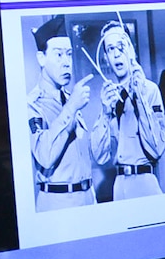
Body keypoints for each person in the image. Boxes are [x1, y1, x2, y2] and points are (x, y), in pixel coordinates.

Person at [24, 14, 107, 211]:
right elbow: (45, 156)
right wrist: (71, 107)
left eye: (69, 54)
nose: (66, 62)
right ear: (41, 58)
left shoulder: (70, 98)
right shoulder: (32, 105)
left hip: (87, 198)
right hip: (58, 202)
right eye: (59, 54)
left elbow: (97, 156)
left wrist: (106, 111)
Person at [94, 18, 165, 199]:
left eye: (121, 47)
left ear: (131, 50)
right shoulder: (109, 98)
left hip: (145, 184)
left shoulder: (149, 90)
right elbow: (99, 156)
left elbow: (157, 149)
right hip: (119, 186)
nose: (117, 54)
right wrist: (105, 112)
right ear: (106, 58)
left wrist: (140, 98)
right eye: (111, 49)